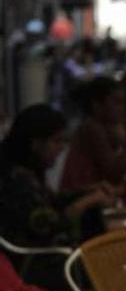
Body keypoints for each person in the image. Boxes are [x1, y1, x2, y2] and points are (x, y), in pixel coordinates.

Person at [0, 104, 114, 250]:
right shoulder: (16, 180)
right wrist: (88, 201)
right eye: (56, 141)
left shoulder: (26, 172)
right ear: (35, 144)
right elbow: (49, 225)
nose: (61, 148)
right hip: (37, 262)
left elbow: (52, 202)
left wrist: (87, 191)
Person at [60, 76, 126, 193]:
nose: (123, 108)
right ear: (97, 105)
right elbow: (113, 173)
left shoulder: (101, 128)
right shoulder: (92, 128)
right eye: (117, 103)